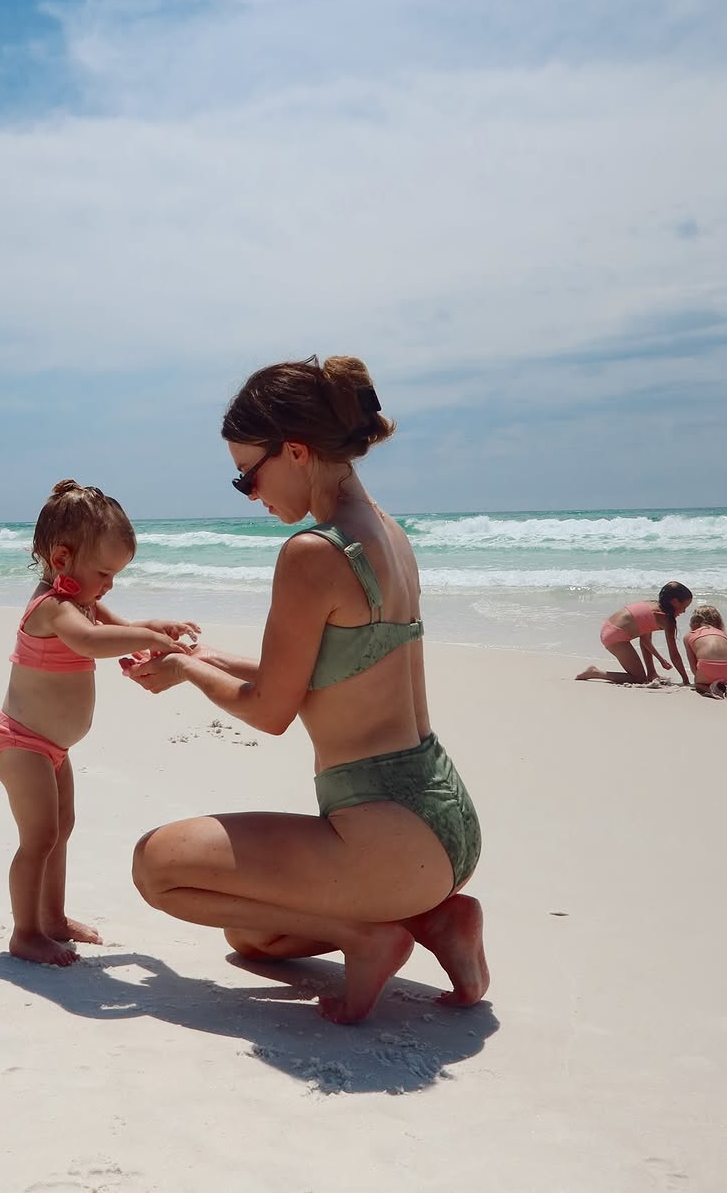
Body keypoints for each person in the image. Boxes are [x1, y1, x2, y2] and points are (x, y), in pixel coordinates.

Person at [124, 355, 486, 1026]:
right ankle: (433, 917)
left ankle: (367, 936)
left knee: (157, 867)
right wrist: (200, 655)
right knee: (253, 936)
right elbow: (322, 670)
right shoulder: (387, 533)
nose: (248, 492)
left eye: (247, 474)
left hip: (385, 835)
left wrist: (184, 674)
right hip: (444, 819)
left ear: (294, 452)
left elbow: (271, 711)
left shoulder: (313, 552)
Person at [0, 480, 198, 966]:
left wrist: (152, 630)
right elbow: (89, 641)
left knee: (61, 831)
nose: (109, 585)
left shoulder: (81, 600)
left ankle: (53, 919)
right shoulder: (53, 608)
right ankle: (24, 933)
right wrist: (144, 638)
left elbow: (115, 628)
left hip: (53, 747)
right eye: (104, 573)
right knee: (39, 838)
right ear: (62, 559)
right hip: (21, 743)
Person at [575, 583, 693, 685]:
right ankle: (596, 673)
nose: (684, 611)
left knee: (641, 675)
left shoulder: (652, 604)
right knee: (638, 679)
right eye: (684, 607)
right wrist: (686, 680)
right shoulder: (666, 620)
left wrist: (660, 660)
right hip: (615, 637)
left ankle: (651, 673)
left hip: (608, 628)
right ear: (674, 602)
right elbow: (674, 655)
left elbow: (645, 640)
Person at [684, 605, 727, 698]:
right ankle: (724, 687)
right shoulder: (723, 634)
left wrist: (700, 678)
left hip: (707, 668)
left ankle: (711, 690)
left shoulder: (689, 636)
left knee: (699, 684)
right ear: (718, 621)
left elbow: (693, 666)